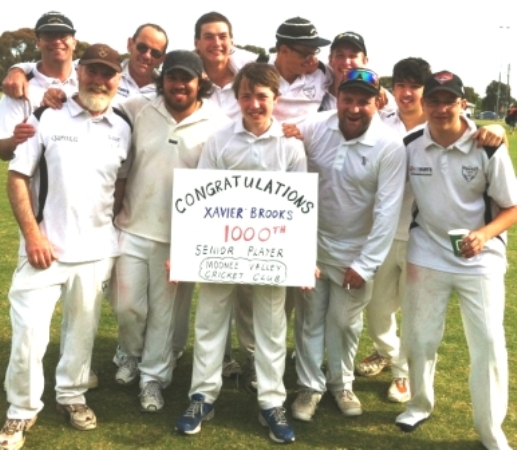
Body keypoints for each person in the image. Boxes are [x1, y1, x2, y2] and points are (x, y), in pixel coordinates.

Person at [0, 43, 131, 450]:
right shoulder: (47, 114)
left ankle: (71, 395)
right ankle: (21, 409)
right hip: (45, 249)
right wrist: (34, 236)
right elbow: (18, 177)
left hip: (96, 250)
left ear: (117, 80)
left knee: (82, 334)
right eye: (91, 70)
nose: (99, 79)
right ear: (77, 72)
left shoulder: (123, 125)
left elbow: (121, 182)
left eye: (107, 73)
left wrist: (107, 230)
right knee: (28, 335)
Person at [176, 62, 306, 444]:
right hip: (220, 251)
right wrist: (187, 250)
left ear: (275, 99)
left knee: (270, 329)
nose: (254, 104)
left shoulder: (291, 145)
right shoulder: (220, 141)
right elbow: (199, 199)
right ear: (237, 99)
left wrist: (301, 259)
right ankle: (202, 396)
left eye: (262, 96)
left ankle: (271, 401)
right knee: (211, 324)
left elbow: (299, 209)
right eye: (246, 96)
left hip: (271, 256)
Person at [395, 71, 517, 450]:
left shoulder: (488, 145)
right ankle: (418, 404)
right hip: (427, 252)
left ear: (463, 103)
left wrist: (482, 235)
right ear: (424, 102)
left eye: (450, 100)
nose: (441, 107)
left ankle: (490, 428)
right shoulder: (411, 144)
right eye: (434, 99)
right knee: (419, 336)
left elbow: (512, 208)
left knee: (488, 341)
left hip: (481, 258)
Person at [110, 50, 229, 411]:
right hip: (132, 226)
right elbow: (95, 104)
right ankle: (130, 353)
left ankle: (153, 379)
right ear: (163, 80)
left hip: (180, 239)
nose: (179, 84)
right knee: (128, 307)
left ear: (199, 82)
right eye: (173, 77)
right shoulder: (136, 109)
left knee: (164, 316)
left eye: (187, 78)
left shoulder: (218, 123)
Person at [291, 68, 406, 422]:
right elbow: (281, 144)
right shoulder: (314, 126)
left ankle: (341, 383)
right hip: (311, 244)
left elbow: (388, 211)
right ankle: (309, 387)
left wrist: (366, 263)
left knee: (344, 322)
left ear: (377, 102)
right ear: (338, 98)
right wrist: (287, 135)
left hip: (356, 251)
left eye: (364, 101)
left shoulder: (389, 146)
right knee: (310, 320)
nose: (354, 108)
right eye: (348, 99)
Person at [354, 58, 431, 403]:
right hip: (383, 232)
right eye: (400, 84)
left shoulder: (443, 122)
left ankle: (405, 377)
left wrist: (500, 130)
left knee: (416, 315)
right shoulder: (381, 120)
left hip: (425, 239)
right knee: (378, 311)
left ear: (425, 89)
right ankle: (392, 356)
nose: (406, 92)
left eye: (414, 85)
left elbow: (475, 138)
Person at [0, 11, 78, 161]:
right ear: (38, 43)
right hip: (34, 182)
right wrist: (15, 140)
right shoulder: (20, 87)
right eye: (48, 36)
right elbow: (2, 150)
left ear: (74, 42)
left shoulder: (89, 78)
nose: (56, 41)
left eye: (63, 35)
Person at [271, 17, 332, 124]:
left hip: (308, 139)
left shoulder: (322, 72)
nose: (312, 59)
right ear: (284, 50)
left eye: (314, 52)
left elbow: (347, 76)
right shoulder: (257, 71)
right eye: (305, 54)